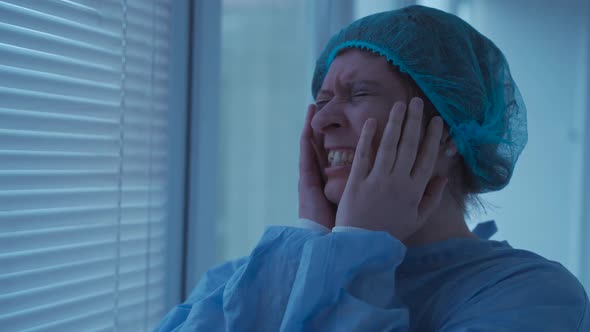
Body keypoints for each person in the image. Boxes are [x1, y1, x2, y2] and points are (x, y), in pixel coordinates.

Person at [155, 5, 590, 331]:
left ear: (450, 132)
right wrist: (313, 237)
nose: (323, 120)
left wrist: (360, 247)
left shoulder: (529, 295)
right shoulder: (237, 278)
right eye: (322, 100)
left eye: (359, 93)